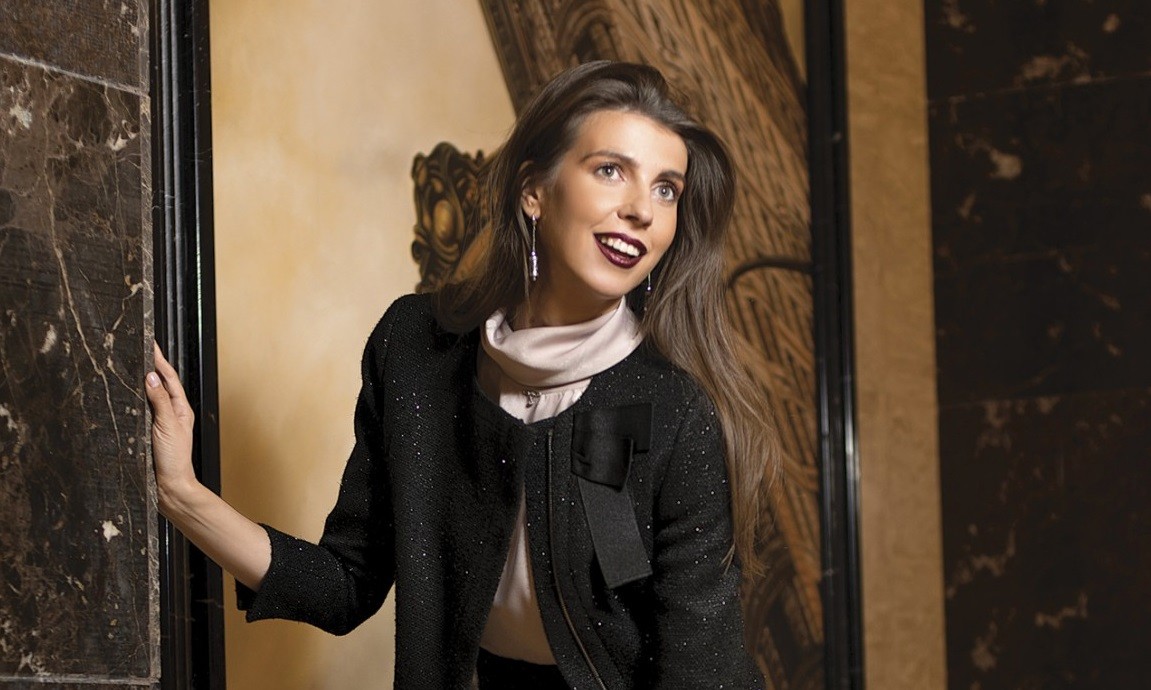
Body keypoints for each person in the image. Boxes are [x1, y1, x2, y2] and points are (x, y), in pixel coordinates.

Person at [147, 60, 776, 689]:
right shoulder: (416, 352)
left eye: (666, 189)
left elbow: (699, 671)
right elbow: (344, 584)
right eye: (611, 170)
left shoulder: (673, 411)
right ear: (534, 190)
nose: (642, 210)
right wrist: (183, 494)